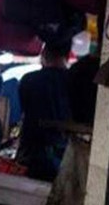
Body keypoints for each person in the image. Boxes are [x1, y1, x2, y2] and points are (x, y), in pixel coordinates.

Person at [17, 42, 73, 181]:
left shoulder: (29, 80)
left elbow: (21, 111)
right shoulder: (75, 80)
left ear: (43, 55)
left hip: (31, 152)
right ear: (67, 56)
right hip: (65, 155)